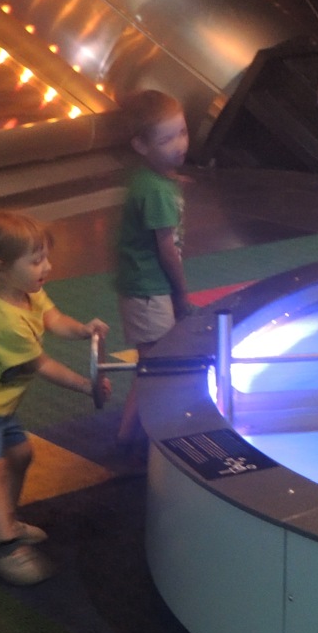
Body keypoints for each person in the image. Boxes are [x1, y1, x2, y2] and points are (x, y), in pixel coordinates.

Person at [0, 212, 109, 586]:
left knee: (21, 455)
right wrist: (85, 385)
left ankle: (5, 521)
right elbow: (42, 365)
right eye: (36, 260)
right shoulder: (5, 320)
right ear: (1, 268)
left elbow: (54, 319)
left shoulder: (28, 292)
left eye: (45, 257)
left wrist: (83, 330)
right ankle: (4, 545)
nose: (48, 266)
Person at [112, 89, 192, 445]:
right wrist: (181, 293)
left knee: (153, 363)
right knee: (155, 366)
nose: (179, 145)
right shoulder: (156, 191)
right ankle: (130, 438)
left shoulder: (150, 179)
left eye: (182, 132)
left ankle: (132, 436)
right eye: (166, 139)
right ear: (141, 146)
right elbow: (167, 250)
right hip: (149, 291)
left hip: (142, 287)